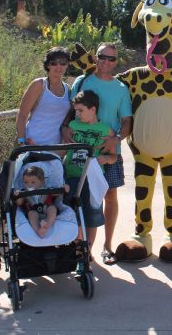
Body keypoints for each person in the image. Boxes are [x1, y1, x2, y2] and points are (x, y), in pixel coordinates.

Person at [62, 42, 132, 266]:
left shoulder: (121, 89)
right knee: (80, 200)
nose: (106, 62)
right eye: (103, 56)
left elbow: (126, 120)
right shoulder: (83, 81)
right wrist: (64, 129)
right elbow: (71, 110)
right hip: (80, 152)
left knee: (109, 197)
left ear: (115, 62)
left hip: (107, 152)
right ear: (96, 57)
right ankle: (82, 249)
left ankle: (107, 246)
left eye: (112, 59)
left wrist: (117, 139)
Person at [64, 90, 117, 257]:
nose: (77, 114)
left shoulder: (106, 131)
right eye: (76, 111)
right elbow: (63, 148)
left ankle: (88, 250)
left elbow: (114, 156)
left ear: (92, 109)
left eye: (80, 110)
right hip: (72, 176)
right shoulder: (72, 126)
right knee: (72, 213)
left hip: (92, 179)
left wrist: (105, 159)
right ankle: (78, 247)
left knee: (91, 215)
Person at [16, 47, 71, 147]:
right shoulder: (39, 85)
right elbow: (22, 115)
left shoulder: (68, 89)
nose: (58, 66)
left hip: (54, 148)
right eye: (54, 62)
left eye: (63, 62)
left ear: (67, 65)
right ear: (48, 65)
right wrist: (21, 142)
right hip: (31, 144)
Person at [14, 166, 67, 238]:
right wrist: (19, 194)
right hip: (33, 210)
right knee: (31, 214)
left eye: (33, 182)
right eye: (26, 182)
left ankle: (47, 225)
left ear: (42, 182)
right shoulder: (24, 192)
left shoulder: (47, 189)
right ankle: (38, 230)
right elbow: (19, 203)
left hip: (46, 208)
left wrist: (64, 188)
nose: (29, 185)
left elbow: (58, 193)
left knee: (52, 208)